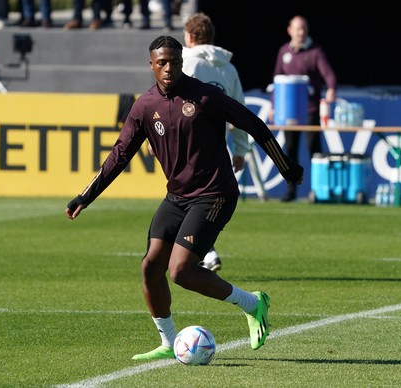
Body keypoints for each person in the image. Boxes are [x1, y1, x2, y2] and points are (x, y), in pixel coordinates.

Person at [65, 35, 303, 360]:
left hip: (215, 193)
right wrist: (85, 196)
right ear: (151, 65)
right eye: (161, 62)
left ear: (181, 61)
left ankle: (253, 303)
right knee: (150, 266)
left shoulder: (205, 96)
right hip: (177, 196)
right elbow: (119, 154)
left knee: (180, 271)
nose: (168, 68)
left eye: (174, 62)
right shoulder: (145, 106)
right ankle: (167, 341)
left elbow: (254, 124)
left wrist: (285, 166)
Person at [181, 11, 249, 273]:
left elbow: (169, 103)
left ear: (189, 36)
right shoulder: (228, 67)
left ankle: (206, 251)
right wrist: (241, 149)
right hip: (216, 148)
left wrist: (157, 136)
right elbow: (240, 110)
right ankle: (203, 251)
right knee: (197, 200)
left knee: (183, 201)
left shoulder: (185, 62)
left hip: (185, 146)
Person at [272, 15, 337, 202]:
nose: (301, 32)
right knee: (290, 149)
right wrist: (274, 105)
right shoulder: (284, 51)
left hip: (310, 108)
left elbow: (328, 74)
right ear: (290, 30)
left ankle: (319, 190)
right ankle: (291, 190)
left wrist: (331, 88)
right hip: (288, 111)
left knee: (313, 149)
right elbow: (277, 79)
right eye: (298, 28)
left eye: (304, 29)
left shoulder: (315, 51)